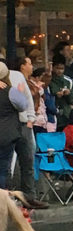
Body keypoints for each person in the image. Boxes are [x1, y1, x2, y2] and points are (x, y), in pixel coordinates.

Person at [0, 62, 29, 191]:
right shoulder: (10, 92)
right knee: (3, 168)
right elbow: (23, 106)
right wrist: (20, 92)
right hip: (7, 134)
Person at [50, 55, 73, 130]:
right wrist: (55, 95)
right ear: (52, 67)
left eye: (62, 68)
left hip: (66, 116)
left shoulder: (70, 81)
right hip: (52, 116)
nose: (59, 71)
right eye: (57, 68)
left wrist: (69, 94)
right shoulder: (48, 80)